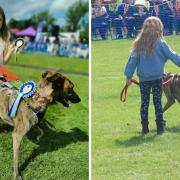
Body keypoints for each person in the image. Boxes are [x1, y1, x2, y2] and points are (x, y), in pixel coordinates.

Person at [124, 17, 180, 135]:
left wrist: (128, 77)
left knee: (144, 103)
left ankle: (145, 128)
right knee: (157, 103)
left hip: (144, 80)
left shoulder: (138, 43)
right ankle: (160, 129)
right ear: (159, 28)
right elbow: (173, 56)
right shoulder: (161, 43)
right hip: (157, 79)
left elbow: (132, 61)